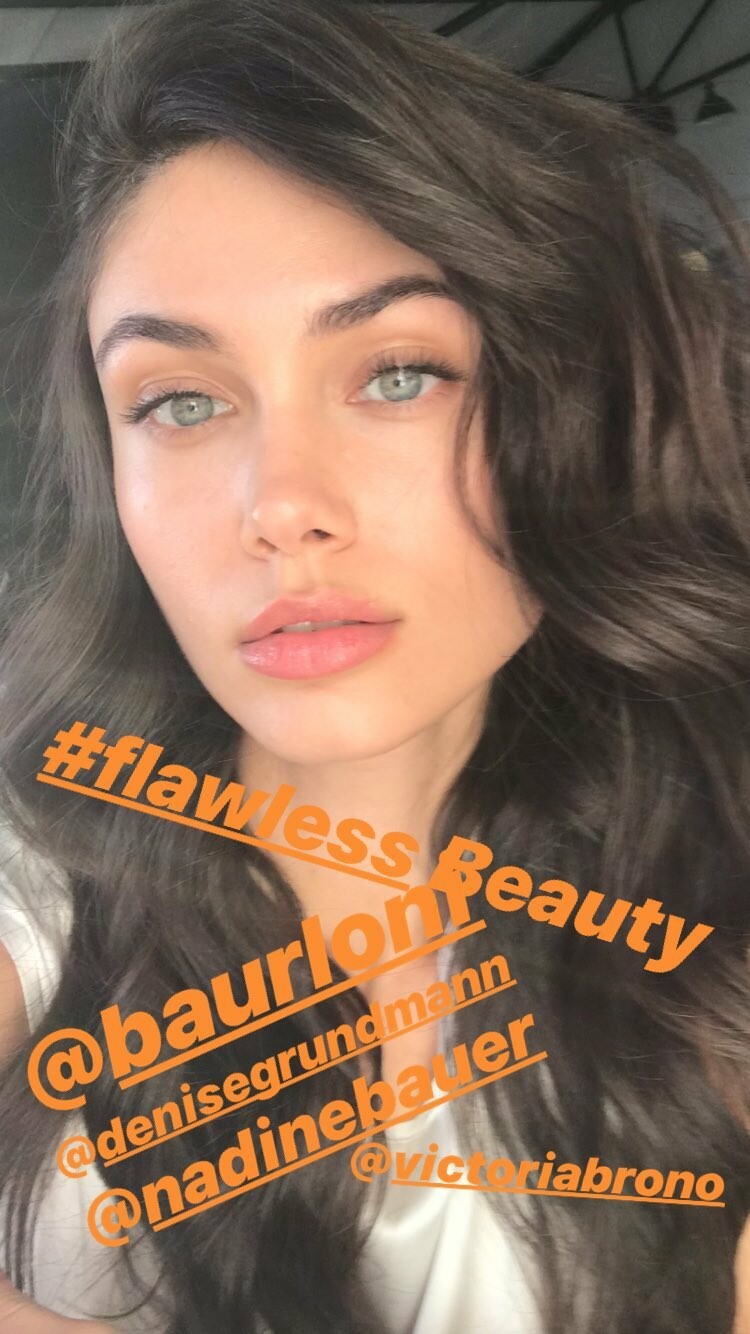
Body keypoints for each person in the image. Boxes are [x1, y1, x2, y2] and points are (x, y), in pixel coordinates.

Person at [1, 0, 749, 1329]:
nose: (281, 504)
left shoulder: (707, 883)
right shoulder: (43, 861)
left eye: (400, 373)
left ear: (575, 411)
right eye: (179, 400)